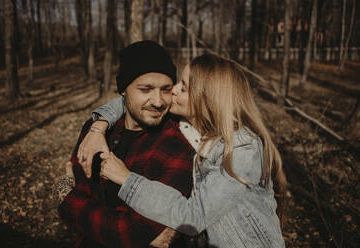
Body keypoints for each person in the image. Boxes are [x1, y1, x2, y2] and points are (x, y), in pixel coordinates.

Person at [82, 54, 287, 247]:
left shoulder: (242, 149)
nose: (173, 90)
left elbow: (194, 216)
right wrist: (98, 126)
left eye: (184, 87)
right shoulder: (190, 127)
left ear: (209, 99)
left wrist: (127, 179)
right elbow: (131, 98)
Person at [54, 40, 195, 248]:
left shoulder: (177, 148)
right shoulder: (94, 132)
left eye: (165, 89)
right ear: (123, 91)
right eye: (145, 89)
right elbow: (82, 188)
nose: (158, 101)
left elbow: (129, 233)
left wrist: (66, 198)